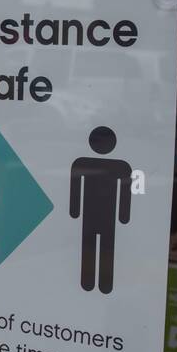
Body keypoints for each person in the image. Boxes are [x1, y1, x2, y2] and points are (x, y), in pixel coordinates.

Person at [69, 126, 132, 294]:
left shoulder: (84, 163)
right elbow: (75, 188)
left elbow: (125, 193)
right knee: (95, 247)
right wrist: (123, 216)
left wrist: (74, 211)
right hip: (101, 216)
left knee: (102, 248)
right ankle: (92, 283)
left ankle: (98, 284)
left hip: (98, 216)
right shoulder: (120, 166)